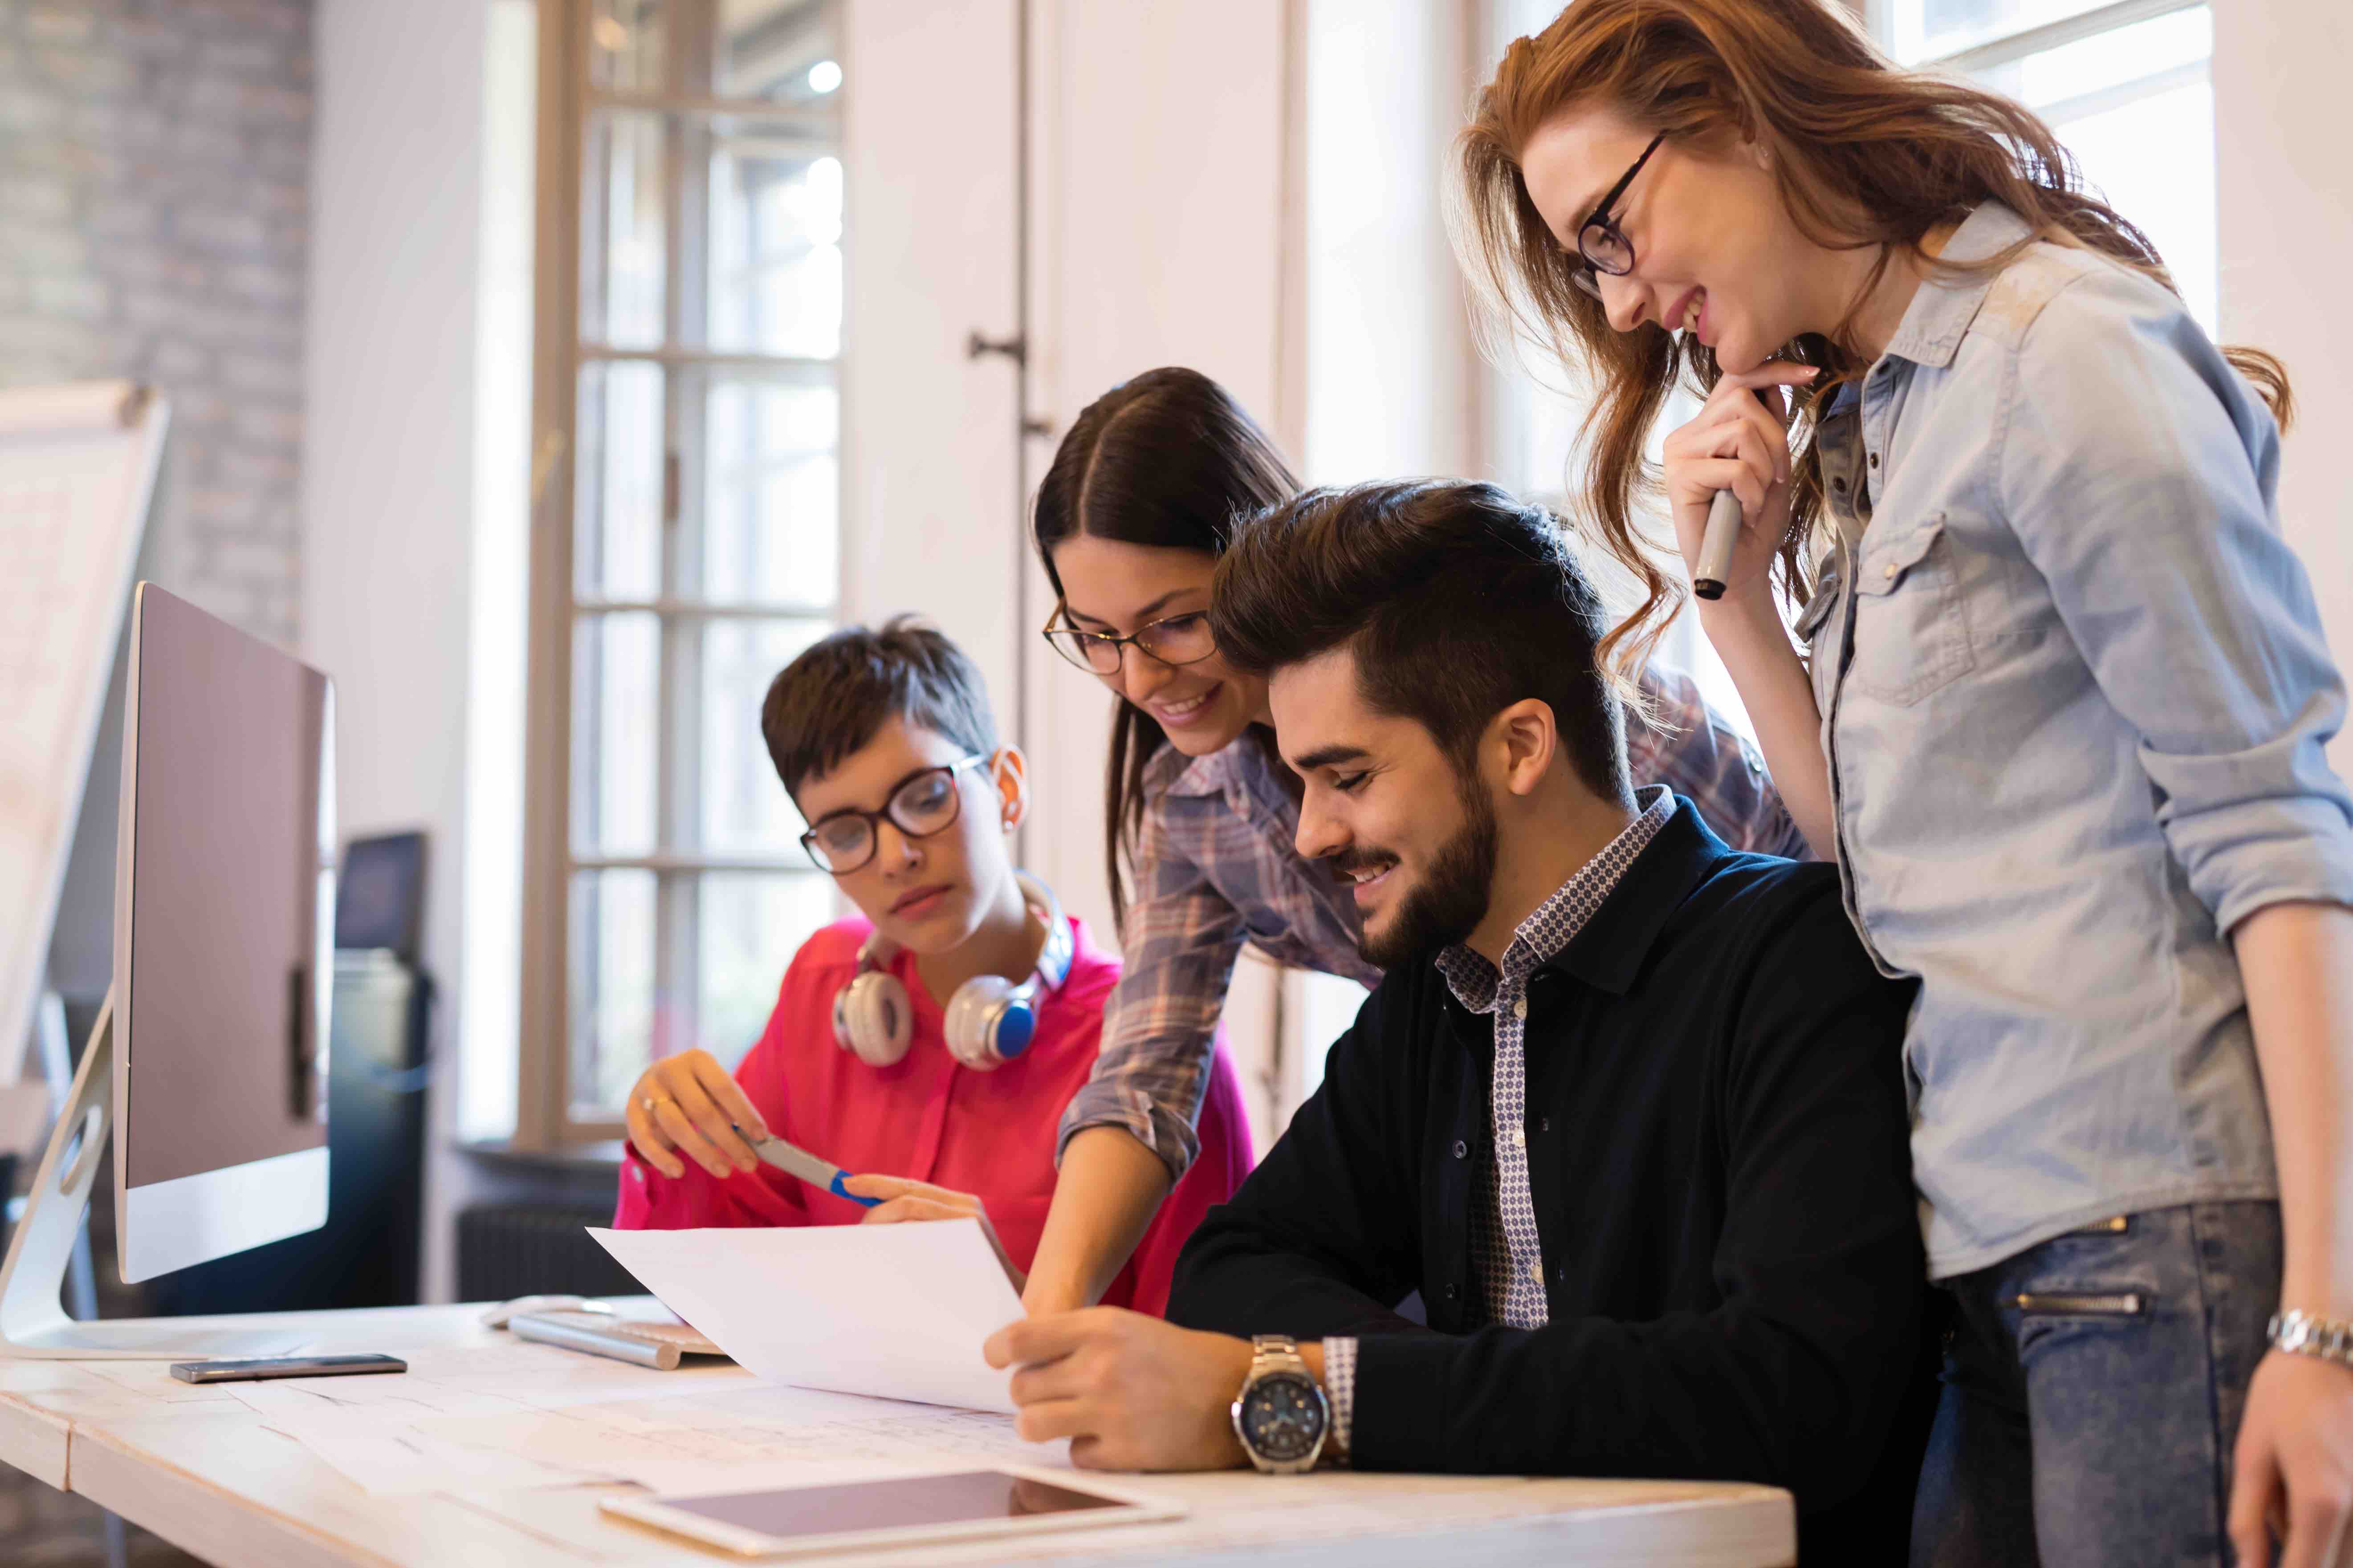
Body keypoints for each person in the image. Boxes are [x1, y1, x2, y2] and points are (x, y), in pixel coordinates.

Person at [1453, 3, 2353, 1564]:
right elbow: (1867, 862)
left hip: (2150, 1223)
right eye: (1587, 262)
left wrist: (2323, 1329)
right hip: (1986, 1238)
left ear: (1735, 110)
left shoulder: (2060, 352)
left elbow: (2280, 838)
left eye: (1611, 228)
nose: (1619, 301)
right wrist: (1732, 598)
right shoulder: (1874, 422)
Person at [986, 479, 1934, 1561]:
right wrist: (1501, 1400)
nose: (1307, 837)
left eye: (1345, 777)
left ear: (1520, 746)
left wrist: (1305, 1397)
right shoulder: (1434, 1004)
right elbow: (1233, 1268)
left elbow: (1790, 1397)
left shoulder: (1798, 958)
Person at [1022, 366, 1809, 1317]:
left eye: (1175, 624)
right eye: (1095, 636)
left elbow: (1806, 929)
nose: (1139, 678)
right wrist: (1046, 1317)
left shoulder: (1588, 718)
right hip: (1472, 1136)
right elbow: (1145, 1076)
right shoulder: (1197, 806)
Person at [614, 618, 1252, 1317]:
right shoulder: (821, 982)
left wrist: (1013, 1306)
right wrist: (673, 1135)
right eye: (846, 833)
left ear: (1006, 787)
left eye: (925, 798)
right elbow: (723, 1270)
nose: (894, 857)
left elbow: (1201, 1357)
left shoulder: (1156, 1053)